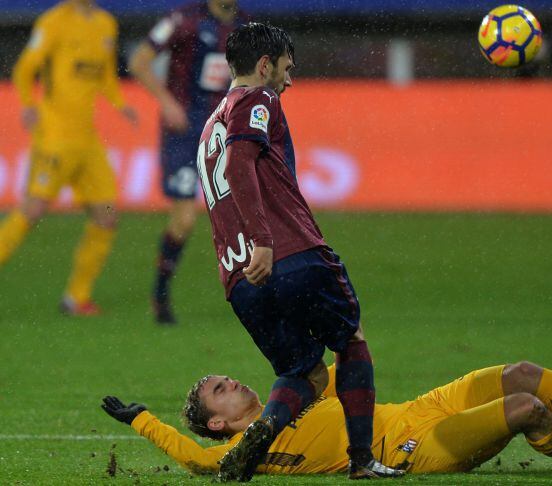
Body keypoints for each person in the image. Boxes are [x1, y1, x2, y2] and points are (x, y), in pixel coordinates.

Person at [191, 22, 400, 481]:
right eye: (286, 67)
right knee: (351, 341)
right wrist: (265, 240)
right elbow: (241, 164)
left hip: (240, 280)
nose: (290, 79)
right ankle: (363, 460)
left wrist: (246, 255)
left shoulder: (210, 125)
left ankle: (264, 428)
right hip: (290, 254)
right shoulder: (257, 99)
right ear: (264, 66)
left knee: (306, 373)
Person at [101, 362, 552, 477]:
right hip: (415, 449)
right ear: (219, 425)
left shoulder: (292, 391)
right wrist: (142, 420)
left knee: (520, 375)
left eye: (225, 378)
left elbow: (339, 355)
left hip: (417, 409)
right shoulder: (249, 449)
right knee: (525, 411)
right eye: (219, 392)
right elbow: (198, 461)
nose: (232, 383)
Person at [0, 0, 137, 315]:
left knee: (106, 216)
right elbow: (24, 69)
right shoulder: (54, 21)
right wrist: (27, 104)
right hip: (55, 136)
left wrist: (119, 103)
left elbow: (104, 73)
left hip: (87, 140)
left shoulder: (106, 23)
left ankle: (76, 297)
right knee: (32, 210)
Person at [128, 0, 250, 325]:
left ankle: (252, 298)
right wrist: (167, 103)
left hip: (224, 131)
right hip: (183, 132)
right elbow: (139, 60)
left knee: (242, 216)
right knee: (184, 220)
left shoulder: (246, 28)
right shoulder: (183, 20)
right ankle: (160, 295)